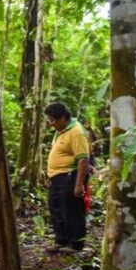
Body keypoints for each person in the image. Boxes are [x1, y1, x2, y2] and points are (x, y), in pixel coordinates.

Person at [44, 102, 91, 254]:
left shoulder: (76, 132)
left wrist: (79, 184)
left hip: (70, 176)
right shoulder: (61, 131)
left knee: (71, 210)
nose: (51, 124)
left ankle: (75, 244)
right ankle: (61, 240)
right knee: (56, 208)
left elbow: (83, 159)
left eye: (53, 120)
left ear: (63, 118)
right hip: (56, 177)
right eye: (49, 120)